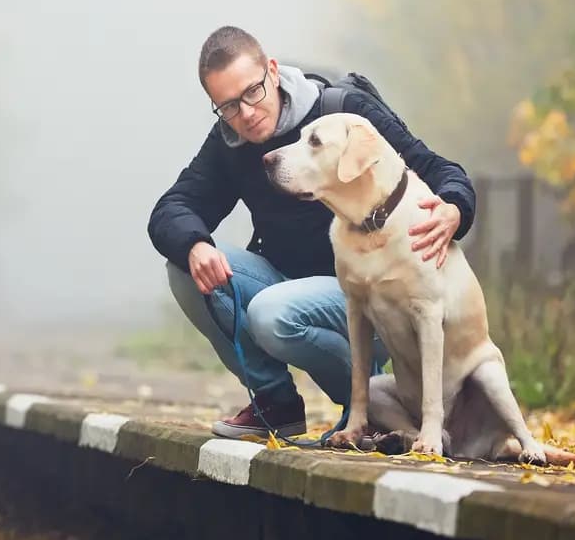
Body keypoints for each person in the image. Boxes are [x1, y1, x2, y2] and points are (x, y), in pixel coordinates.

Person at [147, 26, 477, 438]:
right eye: (228, 106)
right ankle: (276, 403)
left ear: (271, 71)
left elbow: (439, 169)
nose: (246, 113)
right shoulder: (230, 143)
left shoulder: (342, 113)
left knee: (271, 313)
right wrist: (194, 243)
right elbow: (172, 208)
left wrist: (453, 209)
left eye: (252, 92)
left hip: (365, 291)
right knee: (182, 266)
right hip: (285, 281)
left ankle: (368, 407)